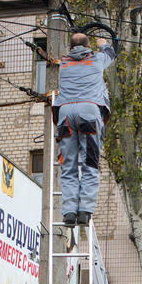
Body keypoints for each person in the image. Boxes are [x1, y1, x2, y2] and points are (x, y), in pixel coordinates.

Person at [53, 32, 115, 227]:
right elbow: (112, 53)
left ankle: (69, 212)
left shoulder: (63, 64)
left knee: (68, 166)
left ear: (70, 48)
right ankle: (85, 211)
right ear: (89, 47)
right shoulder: (97, 59)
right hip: (89, 111)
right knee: (90, 163)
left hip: (65, 113)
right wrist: (103, 43)